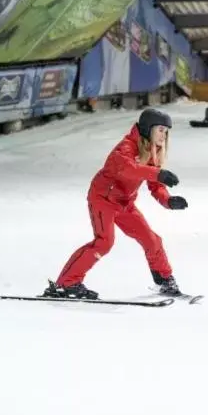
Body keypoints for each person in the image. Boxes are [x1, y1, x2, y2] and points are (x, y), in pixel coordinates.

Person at [43, 108, 189, 300]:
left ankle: (165, 280)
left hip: (125, 203)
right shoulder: (125, 148)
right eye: (161, 129)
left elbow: (155, 187)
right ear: (148, 128)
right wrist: (157, 173)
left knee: (152, 239)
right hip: (103, 199)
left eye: (166, 131)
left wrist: (168, 201)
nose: (164, 135)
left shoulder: (154, 150)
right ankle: (66, 284)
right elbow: (129, 169)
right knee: (104, 242)